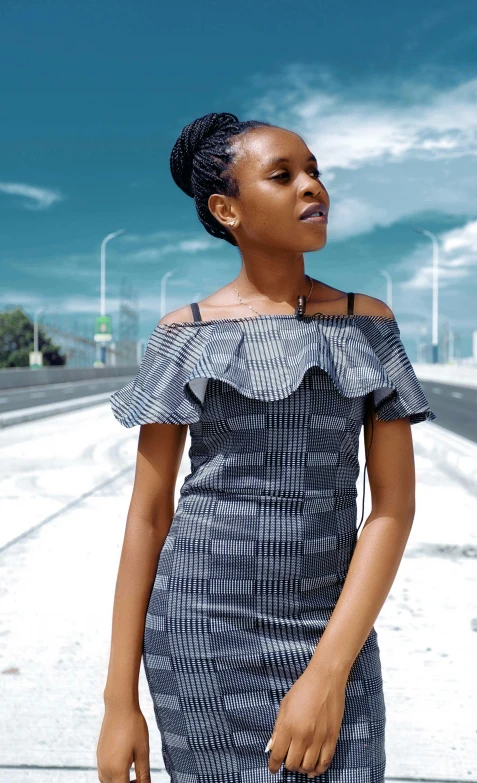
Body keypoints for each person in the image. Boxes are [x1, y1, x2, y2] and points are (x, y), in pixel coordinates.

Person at [97, 112, 436, 783]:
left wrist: (329, 671)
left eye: (314, 171)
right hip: (200, 636)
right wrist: (118, 701)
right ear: (227, 209)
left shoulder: (366, 322)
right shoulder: (185, 332)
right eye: (283, 176)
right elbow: (148, 516)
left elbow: (393, 507)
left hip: (330, 626)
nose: (312, 187)